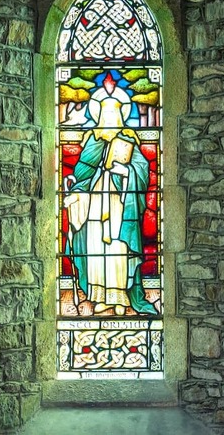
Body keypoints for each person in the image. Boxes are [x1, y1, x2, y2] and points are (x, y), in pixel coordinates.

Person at [64, 72, 157, 316]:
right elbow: (83, 174)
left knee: (117, 248)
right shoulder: (92, 142)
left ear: (120, 115)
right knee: (97, 248)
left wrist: (125, 171)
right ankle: (101, 296)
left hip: (120, 204)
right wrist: (74, 183)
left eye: (113, 113)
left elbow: (141, 170)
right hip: (96, 202)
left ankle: (122, 297)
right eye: (105, 113)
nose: (109, 117)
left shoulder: (129, 140)